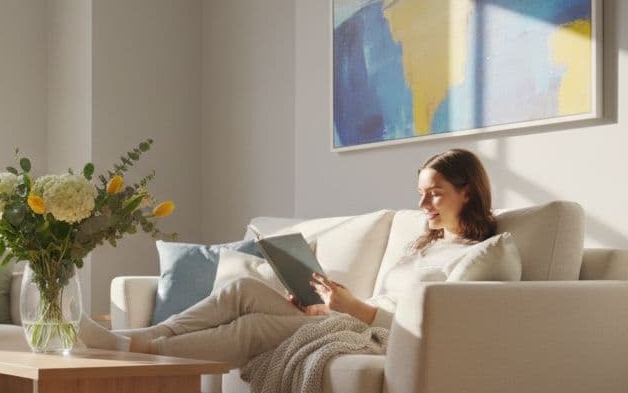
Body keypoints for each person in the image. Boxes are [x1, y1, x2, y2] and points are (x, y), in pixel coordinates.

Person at [78, 148, 500, 365]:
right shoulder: (423, 244)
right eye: (421, 192)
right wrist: (329, 304)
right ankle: (140, 338)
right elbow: (383, 300)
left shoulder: (477, 256)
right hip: (350, 318)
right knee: (243, 288)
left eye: (435, 192)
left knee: (253, 328)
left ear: (468, 191)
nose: (424, 202)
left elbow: (435, 323)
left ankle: (139, 351)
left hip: (378, 338)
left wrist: (357, 310)